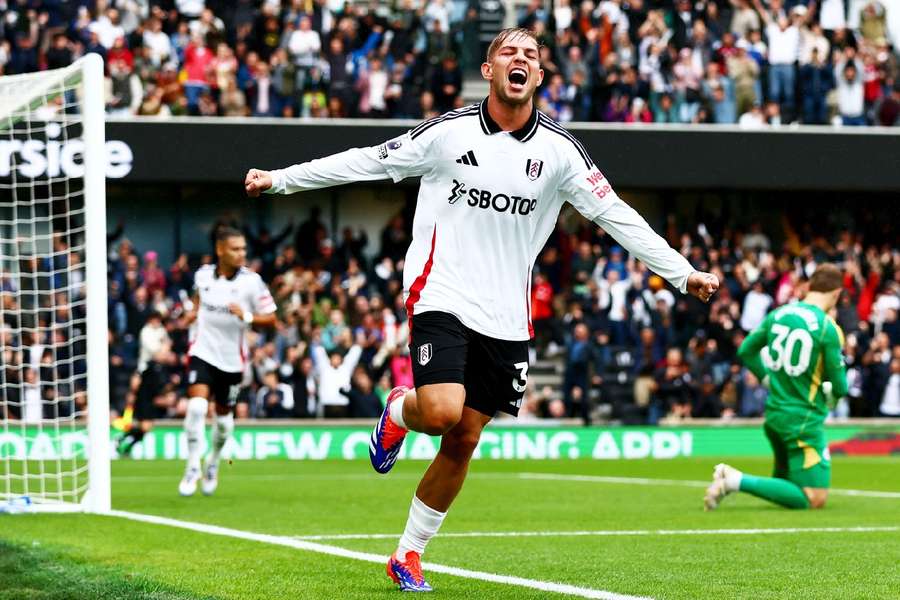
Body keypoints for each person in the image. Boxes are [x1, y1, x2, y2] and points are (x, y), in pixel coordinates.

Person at [244, 28, 718, 592]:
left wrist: (681, 272)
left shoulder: (560, 153)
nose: (520, 61)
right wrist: (279, 181)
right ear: (489, 70)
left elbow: (616, 215)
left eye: (531, 57)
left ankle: (407, 554)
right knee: (442, 413)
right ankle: (402, 409)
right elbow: (367, 162)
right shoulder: (448, 135)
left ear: (540, 77)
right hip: (440, 292)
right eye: (508, 53)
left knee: (464, 438)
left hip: (507, 314)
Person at [705, 263, 848, 511]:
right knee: (814, 497)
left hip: (774, 415)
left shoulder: (779, 314)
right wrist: (831, 396)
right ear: (836, 294)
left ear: (809, 286)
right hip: (803, 421)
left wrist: (766, 378)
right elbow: (841, 386)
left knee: (785, 485)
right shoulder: (827, 328)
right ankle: (734, 480)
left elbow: (746, 350)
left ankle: (731, 485)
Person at [178, 227, 276, 497]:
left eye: (244, 248)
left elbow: (272, 318)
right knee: (197, 407)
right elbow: (197, 304)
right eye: (236, 248)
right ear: (220, 250)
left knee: (223, 422)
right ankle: (192, 466)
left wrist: (246, 317)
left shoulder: (252, 282)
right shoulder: (202, 275)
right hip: (203, 351)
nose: (241, 253)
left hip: (232, 361)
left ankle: (213, 462)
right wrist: (189, 315)